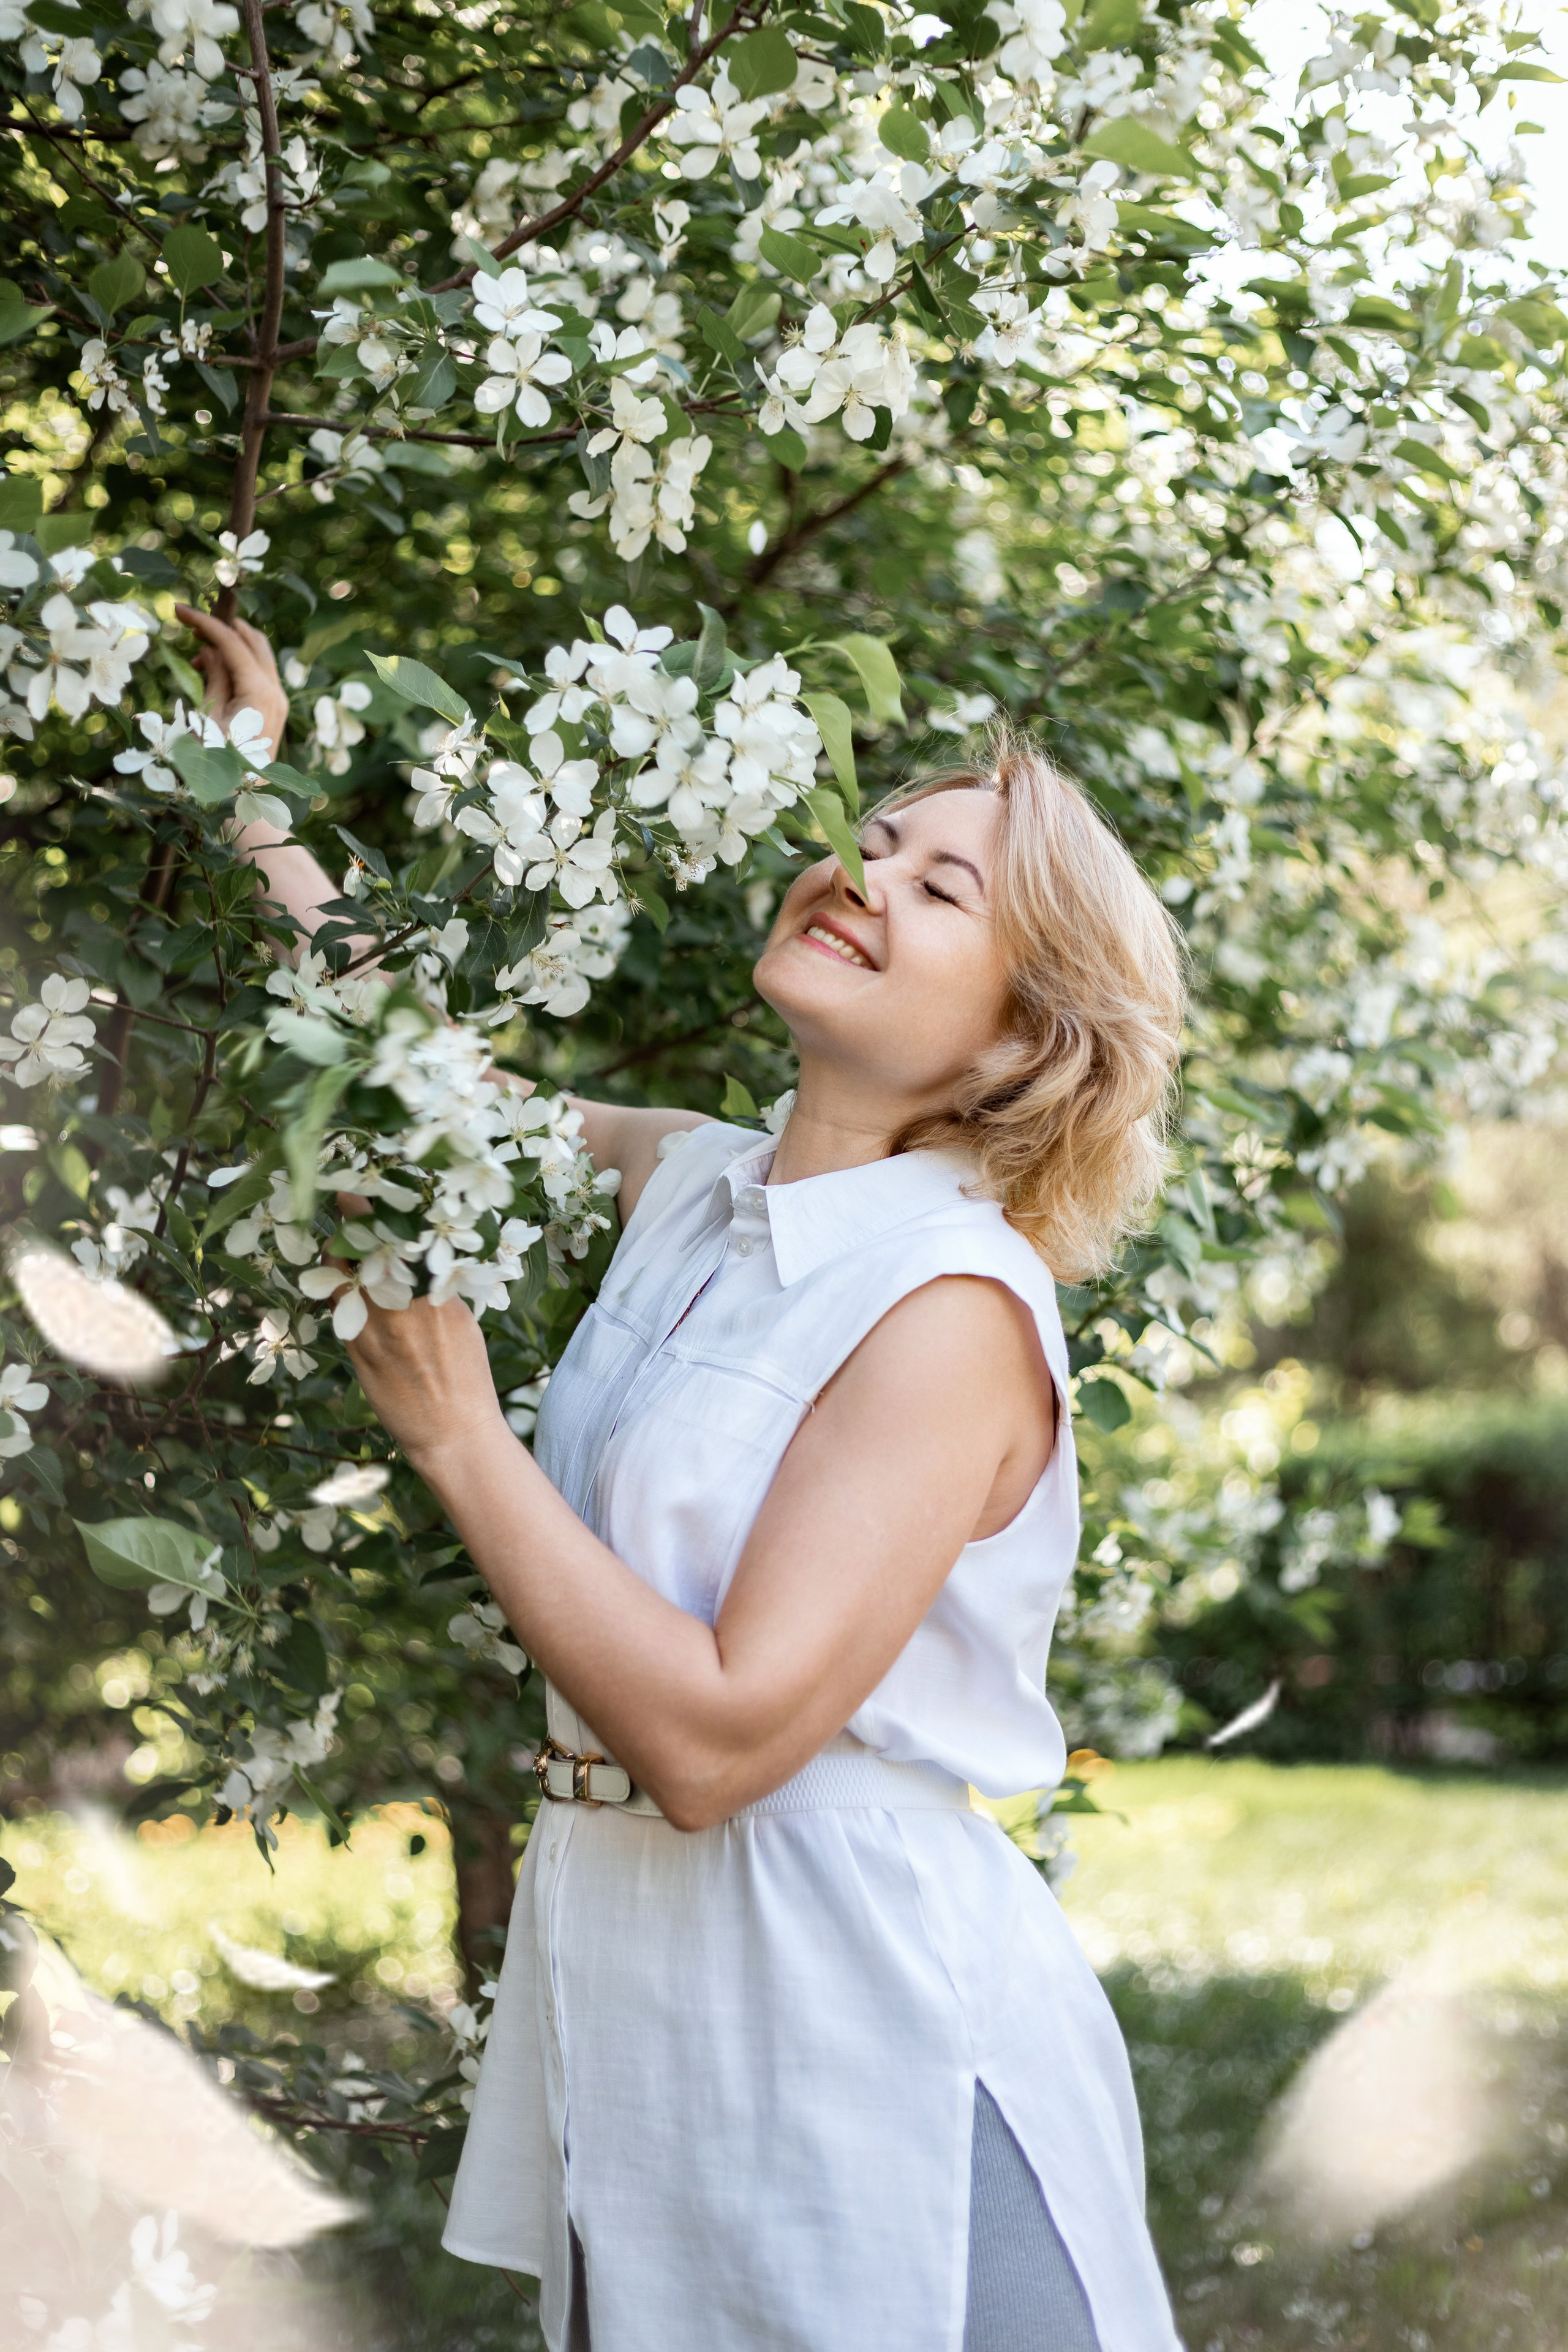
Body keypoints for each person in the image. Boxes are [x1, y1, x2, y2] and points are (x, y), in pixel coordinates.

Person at [179, 606, 1188, 2352]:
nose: (864, 871)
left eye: (943, 890)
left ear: (1023, 1040)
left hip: (861, 2012)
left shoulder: (947, 1307)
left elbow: (720, 1746)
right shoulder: (697, 1185)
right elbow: (417, 1081)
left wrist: (456, 1434)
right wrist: (252, 796)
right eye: (875, 841)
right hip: (641, 1973)